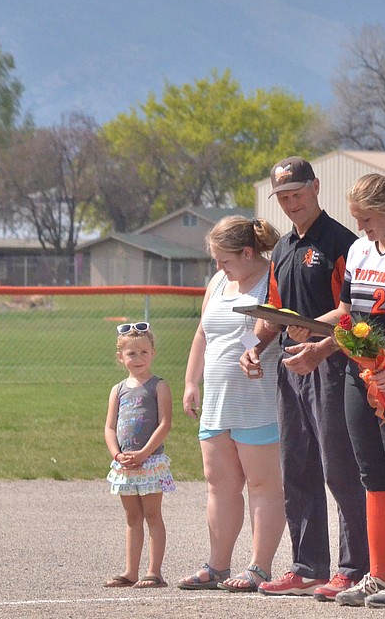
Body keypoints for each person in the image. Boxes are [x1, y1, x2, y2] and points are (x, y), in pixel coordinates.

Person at [288, 172, 385, 609]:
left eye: (368, 218)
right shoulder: (358, 251)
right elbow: (345, 311)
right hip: (362, 373)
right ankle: (377, 573)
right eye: (357, 219)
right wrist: (312, 327)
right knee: (371, 474)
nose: (362, 228)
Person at [240, 157, 369, 600]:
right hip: (290, 365)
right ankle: (307, 565)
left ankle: (354, 569)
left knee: (340, 469)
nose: (290, 202)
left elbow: (353, 314)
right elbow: (275, 313)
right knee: (296, 467)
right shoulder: (281, 249)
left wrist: (317, 339)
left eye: (296, 193)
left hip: (333, 365)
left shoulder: (343, 244)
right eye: (283, 197)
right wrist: (256, 347)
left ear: (316, 187)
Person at [179, 215, 286, 592]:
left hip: (258, 400)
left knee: (262, 485)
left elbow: (267, 333)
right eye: (216, 261)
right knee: (219, 485)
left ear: (247, 252)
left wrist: (254, 352)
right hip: (217, 401)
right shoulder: (219, 281)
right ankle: (217, 565)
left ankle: (259, 567)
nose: (219, 267)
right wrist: (192, 381)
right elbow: (202, 334)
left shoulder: (273, 279)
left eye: (225, 260)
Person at [104, 322, 175, 589]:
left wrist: (145, 453)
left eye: (144, 352)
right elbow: (110, 427)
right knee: (132, 518)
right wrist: (117, 454)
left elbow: (165, 424)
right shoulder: (118, 390)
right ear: (121, 357)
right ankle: (130, 571)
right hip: (125, 465)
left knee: (152, 515)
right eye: (131, 354)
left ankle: (154, 572)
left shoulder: (159, 386)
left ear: (153, 353)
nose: (138, 359)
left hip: (151, 462)